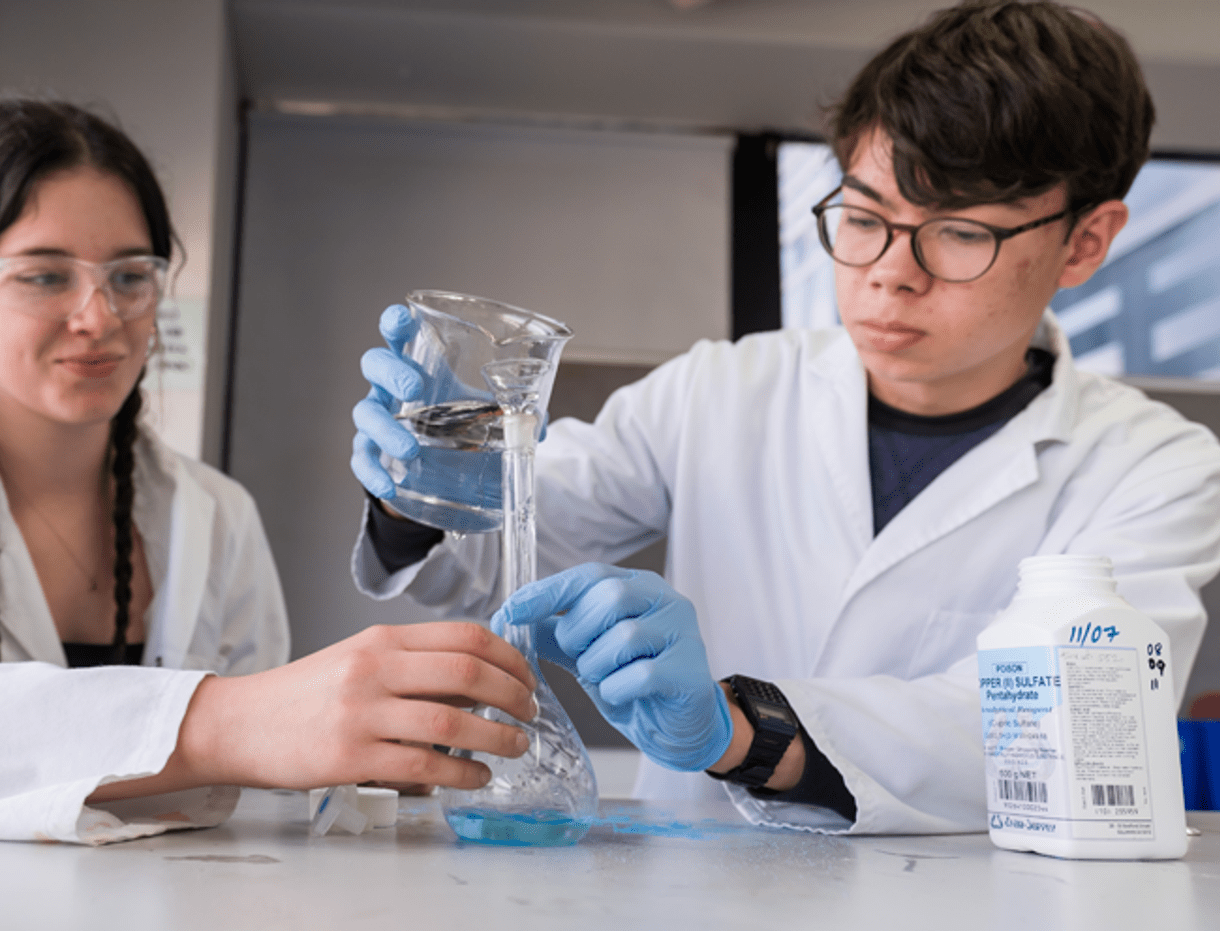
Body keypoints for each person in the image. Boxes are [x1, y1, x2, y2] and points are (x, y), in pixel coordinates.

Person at [350, 1, 1220, 834]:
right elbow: (494, 560)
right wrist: (420, 502)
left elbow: (1071, 733)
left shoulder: (1155, 467)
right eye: (867, 216)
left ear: (1086, 241)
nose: (888, 273)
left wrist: (745, 727)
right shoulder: (720, 389)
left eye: (958, 232)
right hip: (694, 897)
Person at [0, 100, 536, 845]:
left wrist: (350, 755)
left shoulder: (216, 514)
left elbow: (250, 800)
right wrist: (225, 723)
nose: (99, 317)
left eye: (130, 277)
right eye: (45, 274)